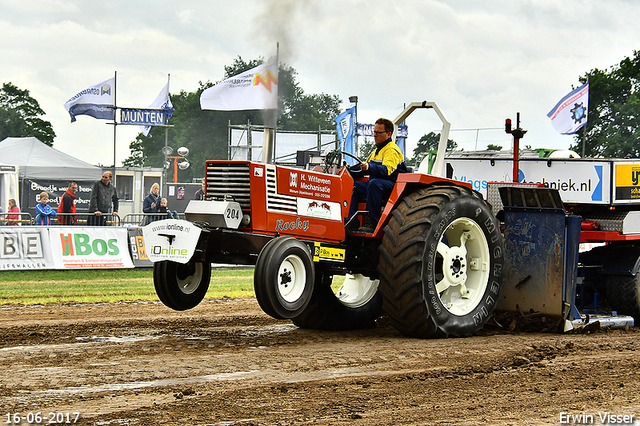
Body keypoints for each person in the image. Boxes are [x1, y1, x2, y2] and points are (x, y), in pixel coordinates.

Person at [348, 117, 407, 233]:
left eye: (379, 133)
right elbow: (364, 167)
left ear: (388, 134)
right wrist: (348, 170)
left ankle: (372, 222)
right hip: (377, 185)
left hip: (394, 187)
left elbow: (386, 171)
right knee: (353, 186)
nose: (375, 135)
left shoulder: (392, 150)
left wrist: (369, 167)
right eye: (374, 132)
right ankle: (351, 222)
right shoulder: (377, 151)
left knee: (374, 184)